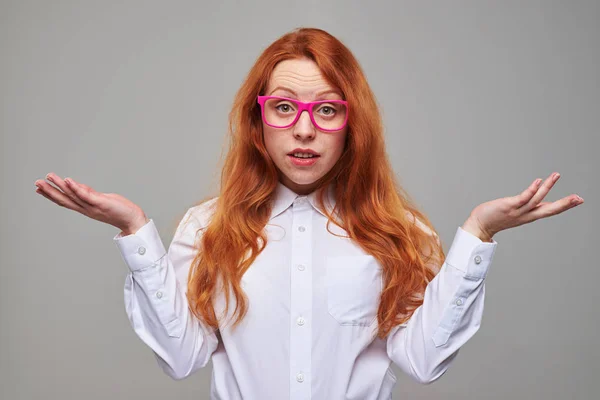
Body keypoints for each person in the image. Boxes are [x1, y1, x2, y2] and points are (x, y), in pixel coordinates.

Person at [34, 27, 584, 399]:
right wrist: (135, 232)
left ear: (352, 126)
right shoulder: (208, 227)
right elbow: (182, 358)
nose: (303, 129)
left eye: (326, 109)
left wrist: (477, 235)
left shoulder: (400, 232)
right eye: (283, 107)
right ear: (258, 123)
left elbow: (421, 361)